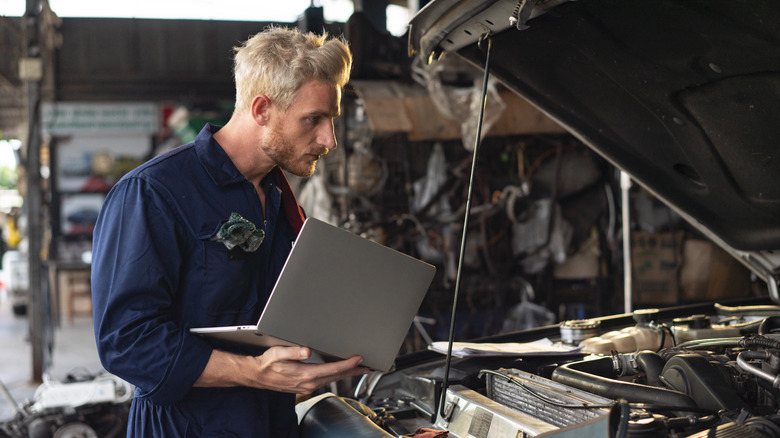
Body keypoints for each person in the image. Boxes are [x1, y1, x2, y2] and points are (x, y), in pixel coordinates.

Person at [91, 27, 369, 437]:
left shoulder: (278, 196)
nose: (328, 139)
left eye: (331, 120)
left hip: (270, 422)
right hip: (186, 427)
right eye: (313, 120)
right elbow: (127, 342)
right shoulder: (152, 193)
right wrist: (256, 373)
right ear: (261, 110)